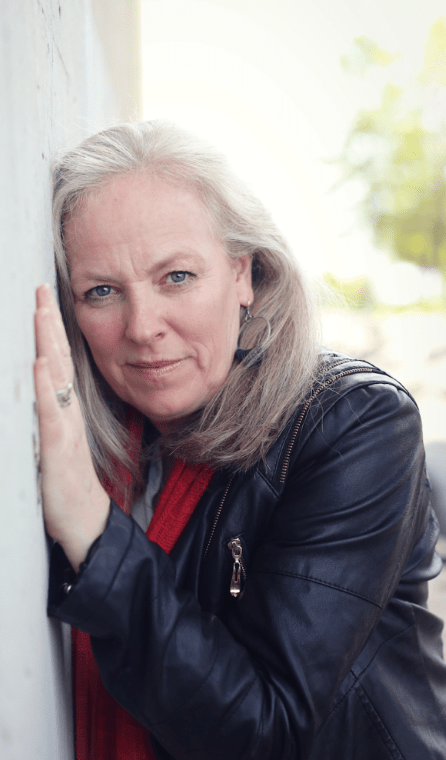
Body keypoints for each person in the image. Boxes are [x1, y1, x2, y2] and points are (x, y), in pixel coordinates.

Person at [34, 121, 446, 760]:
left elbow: (267, 729)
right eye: (102, 291)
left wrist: (94, 533)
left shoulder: (355, 425)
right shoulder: (99, 447)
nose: (142, 327)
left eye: (176, 277)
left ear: (243, 274)